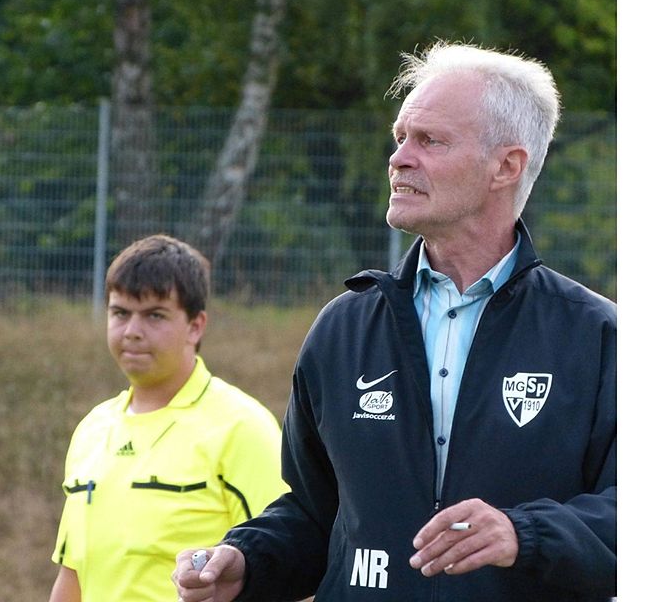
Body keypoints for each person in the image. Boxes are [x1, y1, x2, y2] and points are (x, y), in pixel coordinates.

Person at [173, 41, 616, 601]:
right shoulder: (344, 329)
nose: (400, 157)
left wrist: (523, 534)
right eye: (400, 137)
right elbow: (318, 512)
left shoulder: (598, 337)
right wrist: (248, 561)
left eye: (429, 140)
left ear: (507, 166)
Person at [48, 234, 288, 602]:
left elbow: (288, 568)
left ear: (196, 325)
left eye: (155, 315)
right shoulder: (92, 430)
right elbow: (73, 576)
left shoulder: (242, 427)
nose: (132, 331)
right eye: (120, 313)